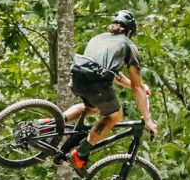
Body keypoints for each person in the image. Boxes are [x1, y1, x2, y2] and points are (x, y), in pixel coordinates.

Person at [61, 9, 158, 165]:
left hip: (78, 79)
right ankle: (80, 154)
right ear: (130, 31)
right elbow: (137, 86)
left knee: (92, 108)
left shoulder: (98, 38)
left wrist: (136, 86)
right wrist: (148, 119)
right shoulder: (127, 45)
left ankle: (52, 122)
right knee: (115, 115)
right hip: (96, 84)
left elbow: (113, 75)